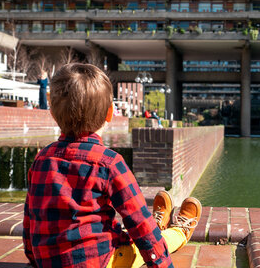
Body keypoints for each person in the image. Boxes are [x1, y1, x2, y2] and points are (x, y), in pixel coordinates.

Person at [23, 63, 201, 268]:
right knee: (140, 244)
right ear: (109, 114)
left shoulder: (41, 160)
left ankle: (160, 224)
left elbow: (31, 218)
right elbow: (139, 220)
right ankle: (178, 232)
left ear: (52, 113)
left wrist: (33, 258)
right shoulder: (109, 163)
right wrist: (161, 264)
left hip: (48, 261)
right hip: (98, 262)